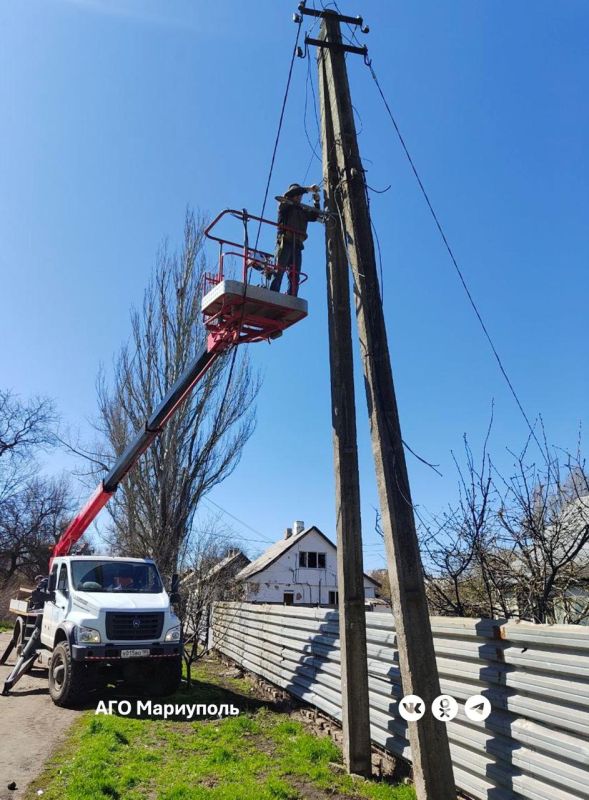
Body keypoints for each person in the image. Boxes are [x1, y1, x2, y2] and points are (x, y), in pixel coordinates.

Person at [269, 183, 321, 296]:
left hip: (297, 245)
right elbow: (290, 195)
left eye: (300, 195)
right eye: (297, 194)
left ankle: (292, 296)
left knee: (294, 275)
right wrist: (309, 189)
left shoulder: (302, 211)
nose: (299, 197)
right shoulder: (285, 205)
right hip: (285, 242)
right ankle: (273, 294)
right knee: (279, 270)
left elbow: (314, 216)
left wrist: (316, 202)